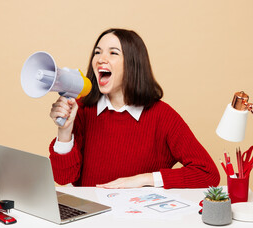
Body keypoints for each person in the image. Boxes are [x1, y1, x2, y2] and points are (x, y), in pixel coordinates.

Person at [49, 28, 220, 189]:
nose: (101, 59)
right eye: (97, 52)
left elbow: (207, 173)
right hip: (92, 217)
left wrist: (144, 180)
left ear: (133, 64)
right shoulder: (83, 110)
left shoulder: (162, 116)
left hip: (140, 218)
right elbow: (63, 178)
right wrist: (64, 131)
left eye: (113, 53)